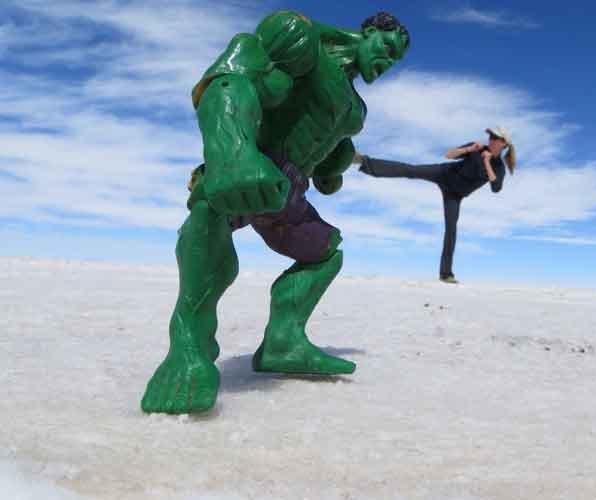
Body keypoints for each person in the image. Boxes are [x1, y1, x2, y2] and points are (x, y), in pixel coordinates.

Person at [141, 10, 410, 414]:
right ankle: (188, 351)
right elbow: (232, 80)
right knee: (207, 224)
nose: (387, 62)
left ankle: (284, 343)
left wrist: (333, 169)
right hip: (250, 169)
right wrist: (233, 152)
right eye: (386, 48)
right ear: (368, 32)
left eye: (395, 60)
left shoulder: (354, 110)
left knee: (324, 253)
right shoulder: (305, 42)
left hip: (289, 193)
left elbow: (328, 155)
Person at [357, 127, 516, 283]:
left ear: (503, 143)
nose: (491, 140)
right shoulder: (477, 148)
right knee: (411, 170)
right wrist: (468, 149)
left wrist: (487, 162)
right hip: (443, 173)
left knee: (451, 230)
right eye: (490, 136)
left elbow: (496, 188)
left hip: (455, 194)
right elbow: (448, 155)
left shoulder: (499, 167)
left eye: (495, 138)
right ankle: (364, 161)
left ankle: (446, 274)